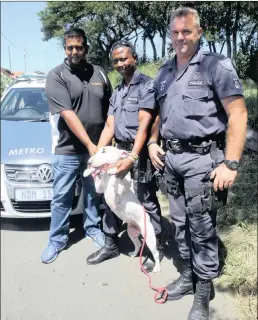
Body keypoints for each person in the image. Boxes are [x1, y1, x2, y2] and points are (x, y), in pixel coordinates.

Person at [148, 7, 247, 320]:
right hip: (172, 160)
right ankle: (188, 277)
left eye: (186, 32)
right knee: (180, 224)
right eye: (175, 32)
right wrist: (152, 142)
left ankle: (204, 291)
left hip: (203, 159)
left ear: (199, 32)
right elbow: (158, 114)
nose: (180, 38)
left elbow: (238, 114)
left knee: (202, 228)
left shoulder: (215, 65)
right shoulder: (164, 72)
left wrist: (230, 163)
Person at [86, 40, 163, 272]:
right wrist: (98, 157)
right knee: (111, 200)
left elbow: (144, 125)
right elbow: (109, 127)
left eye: (124, 58)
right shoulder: (118, 92)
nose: (120, 63)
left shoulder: (146, 86)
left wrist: (131, 158)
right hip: (117, 150)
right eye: (116, 60)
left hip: (137, 153)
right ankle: (111, 244)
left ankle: (153, 247)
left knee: (145, 200)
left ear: (135, 59)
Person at [41, 28, 112, 264]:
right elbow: (68, 115)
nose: (74, 51)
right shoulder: (56, 75)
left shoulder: (99, 74)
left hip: (97, 150)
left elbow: (110, 110)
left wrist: (102, 146)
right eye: (70, 47)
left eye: (79, 47)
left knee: (93, 194)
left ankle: (92, 228)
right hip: (68, 151)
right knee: (62, 195)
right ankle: (57, 240)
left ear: (86, 49)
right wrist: (91, 145)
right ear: (64, 49)